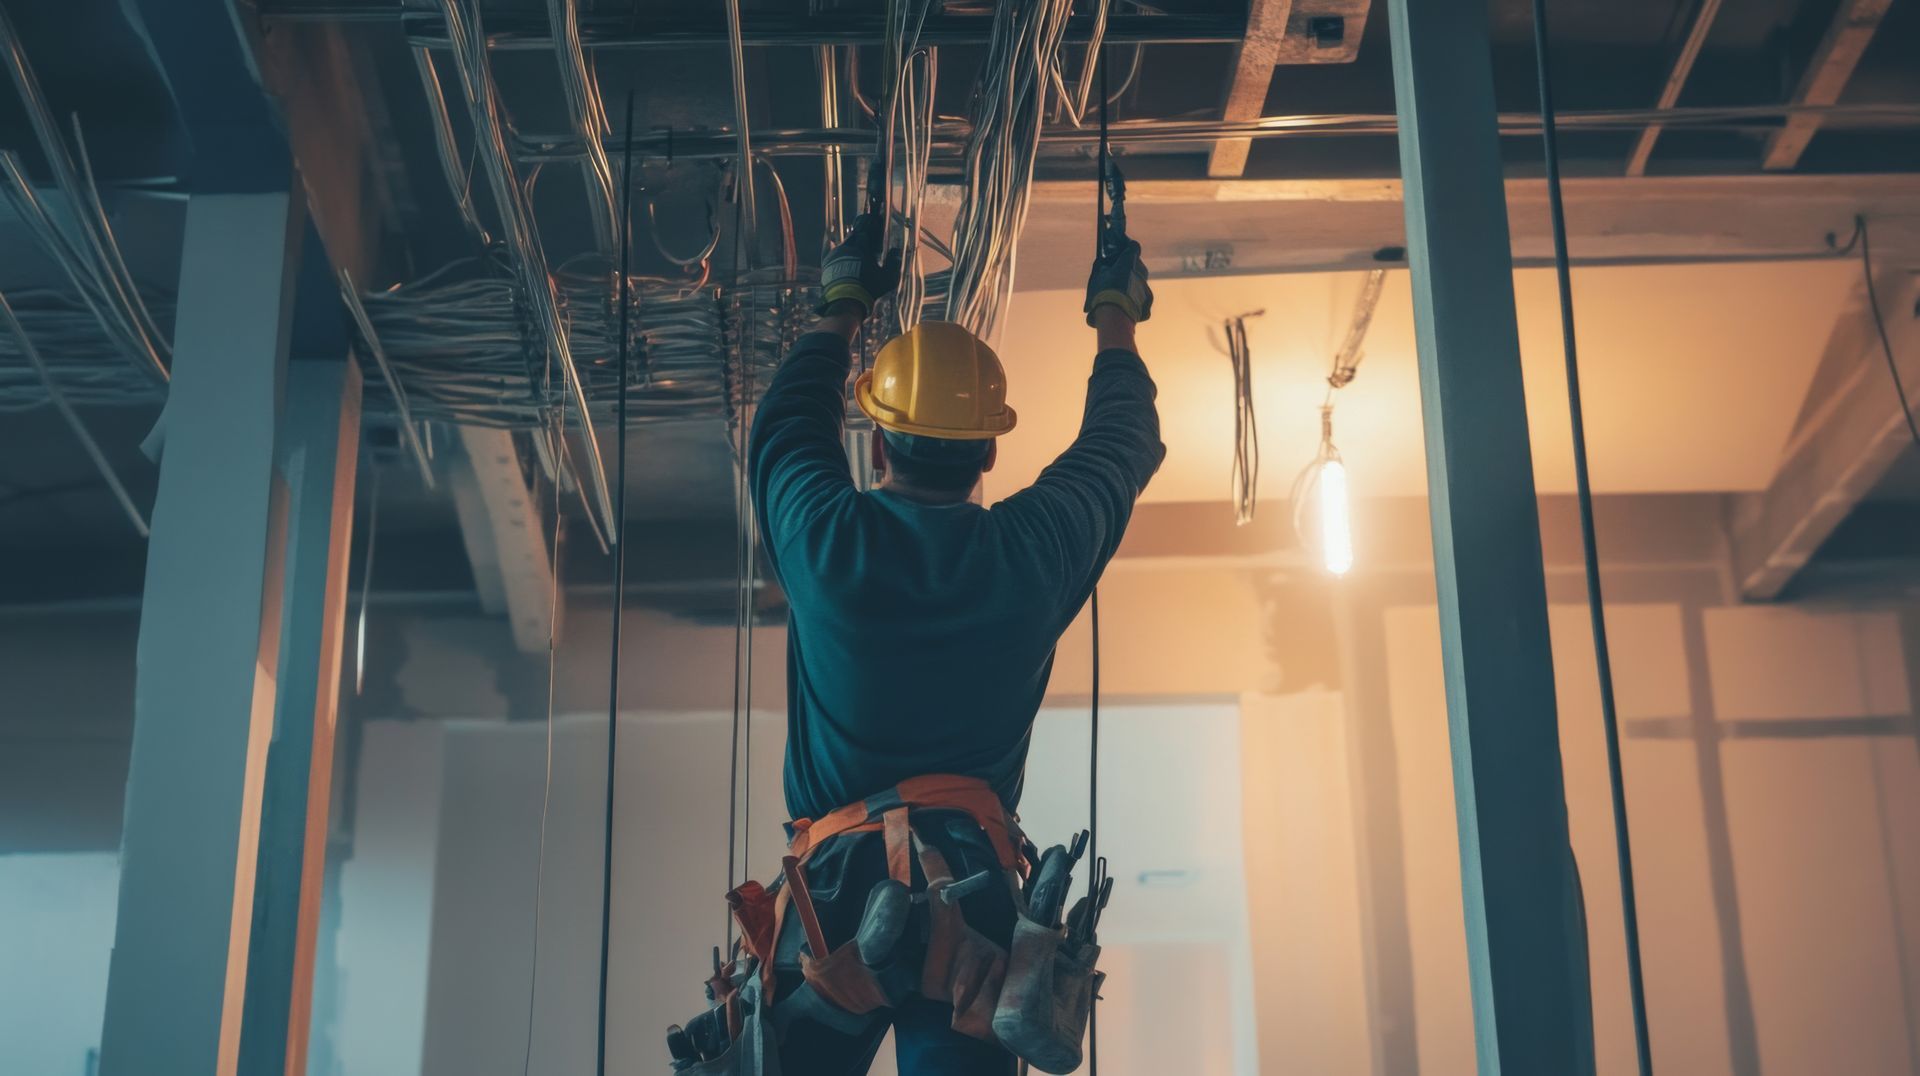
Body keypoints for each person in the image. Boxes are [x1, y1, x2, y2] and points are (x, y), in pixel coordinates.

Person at [742, 211, 1162, 1075]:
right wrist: (1115, 309)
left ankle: (832, 995)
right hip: (971, 897)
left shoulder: (828, 540)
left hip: (838, 891)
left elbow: (786, 427)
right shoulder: (1029, 555)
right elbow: (1122, 445)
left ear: (878, 438)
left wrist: (843, 302)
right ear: (988, 452)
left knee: (773, 1055)